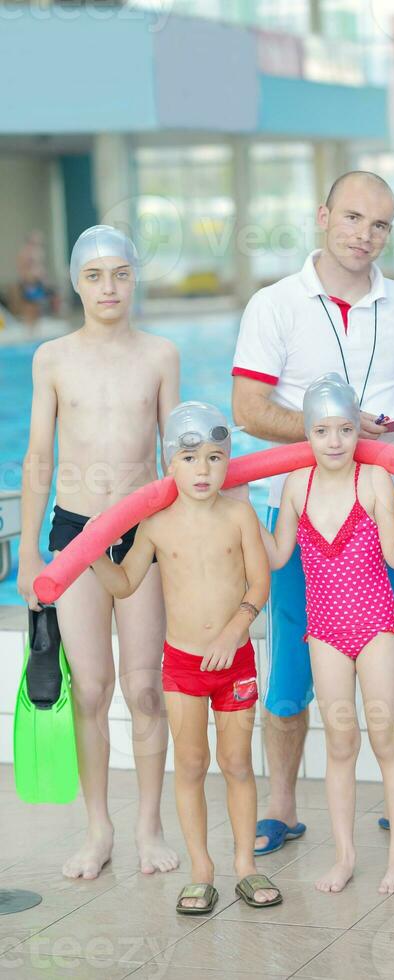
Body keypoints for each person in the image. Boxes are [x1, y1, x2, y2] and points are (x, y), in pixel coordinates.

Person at [232, 170, 394, 855]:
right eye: (354, 218)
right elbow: (248, 412)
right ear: (323, 216)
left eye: (380, 225)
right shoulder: (274, 305)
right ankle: (281, 807)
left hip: (390, 506)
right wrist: (335, 426)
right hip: (304, 510)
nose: (365, 235)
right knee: (290, 669)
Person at [17, 225, 180, 880]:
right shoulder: (52, 358)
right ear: (77, 283)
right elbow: (37, 458)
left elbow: (178, 459)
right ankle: (99, 829)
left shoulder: (161, 355)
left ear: (134, 279)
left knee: (144, 690)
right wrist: (30, 554)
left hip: (142, 532)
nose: (108, 287)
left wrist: (191, 545)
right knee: (90, 688)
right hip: (75, 534)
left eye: (119, 274)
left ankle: (149, 827)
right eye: (94, 276)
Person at [88, 402, 282, 914]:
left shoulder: (239, 515)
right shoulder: (154, 526)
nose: (204, 470)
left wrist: (234, 629)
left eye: (216, 458)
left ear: (229, 461)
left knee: (237, 762)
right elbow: (126, 583)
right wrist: (90, 555)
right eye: (191, 457)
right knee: (192, 763)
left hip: (234, 661)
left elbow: (261, 582)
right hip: (182, 668)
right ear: (169, 461)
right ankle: (202, 870)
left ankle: (246, 865)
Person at [259, 374, 394, 893]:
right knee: (341, 743)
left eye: (345, 429)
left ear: (359, 431)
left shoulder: (374, 481)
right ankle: (343, 858)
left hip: (377, 628)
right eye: (322, 431)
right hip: (324, 634)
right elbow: (278, 557)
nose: (335, 441)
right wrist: (240, 509)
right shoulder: (297, 485)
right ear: (307, 433)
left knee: (386, 740)